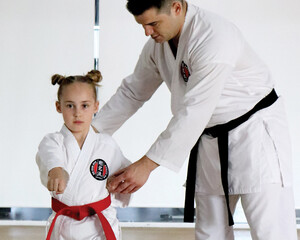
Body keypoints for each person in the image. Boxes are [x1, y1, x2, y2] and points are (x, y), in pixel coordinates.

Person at [92, 0, 297, 240]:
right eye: (143, 25)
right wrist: (88, 134)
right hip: (209, 140)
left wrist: (146, 166)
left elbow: (194, 111)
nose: (147, 32)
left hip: (254, 136)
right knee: (210, 233)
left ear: (176, 7)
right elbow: (132, 93)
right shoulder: (158, 45)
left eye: (153, 23)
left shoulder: (214, 36)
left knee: (271, 231)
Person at [36, 70, 131, 240]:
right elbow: (50, 155)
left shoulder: (107, 144)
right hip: (64, 226)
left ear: (96, 106)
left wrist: (125, 182)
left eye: (85, 105)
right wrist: (57, 170)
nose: (77, 113)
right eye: (70, 105)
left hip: (99, 225)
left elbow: (124, 175)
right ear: (59, 107)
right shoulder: (53, 141)